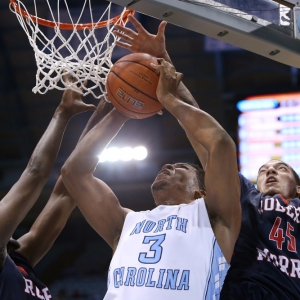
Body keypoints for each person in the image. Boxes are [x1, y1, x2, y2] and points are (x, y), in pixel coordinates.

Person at [61, 41, 241, 300]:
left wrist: (168, 99)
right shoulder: (125, 223)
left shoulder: (214, 218)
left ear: (201, 193)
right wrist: (124, 110)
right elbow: (73, 173)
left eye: (181, 167)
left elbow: (221, 143)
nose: (167, 165)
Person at [0, 73, 113, 299]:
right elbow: (35, 174)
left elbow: (67, 190)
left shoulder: (20, 263)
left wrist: (109, 111)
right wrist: (61, 114)